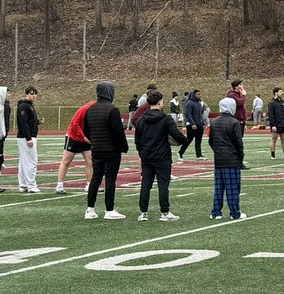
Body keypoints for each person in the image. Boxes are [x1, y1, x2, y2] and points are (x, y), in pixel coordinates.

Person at [134, 89, 184, 222]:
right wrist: (184, 141)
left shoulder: (141, 120)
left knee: (146, 184)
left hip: (147, 156)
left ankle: (143, 213)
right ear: (160, 102)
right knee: (163, 184)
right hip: (162, 157)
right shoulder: (165, 119)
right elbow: (176, 134)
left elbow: (137, 140)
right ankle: (165, 212)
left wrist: (142, 152)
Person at [83, 81, 129, 220]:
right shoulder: (112, 109)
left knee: (96, 178)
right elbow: (118, 131)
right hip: (111, 149)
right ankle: (109, 209)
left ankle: (89, 210)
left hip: (96, 148)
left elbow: (86, 130)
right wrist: (123, 146)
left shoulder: (90, 109)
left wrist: (95, 141)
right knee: (110, 179)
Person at [209, 97, 245, 219]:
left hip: (219, 159)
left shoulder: (214, 122)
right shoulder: (234, 122)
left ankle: (216, 212)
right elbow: (238, 143)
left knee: (219, 187)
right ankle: (235, 212)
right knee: (233, 187)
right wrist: (240, 157)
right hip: (231, 159)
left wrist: (218, 151)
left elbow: (211, 141)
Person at [55, 100, 94, 194]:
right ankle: (59, 185)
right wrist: (83, 137)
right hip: (74, 137)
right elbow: (75, 123)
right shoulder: (85, 109)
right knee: (66, 160)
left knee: (90, 161)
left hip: (86, 138)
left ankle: (90, 185)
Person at [15, 86, 41, 193]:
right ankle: (31, 185)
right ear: (26, 94)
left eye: (35, 93)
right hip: (26, 138)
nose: (34, 95)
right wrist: (28, 138)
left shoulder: (28, 105)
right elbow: (22, 123)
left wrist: (37, 122)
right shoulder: (24, 106)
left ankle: (23, 184)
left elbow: (27, 121)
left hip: (26, 136)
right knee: (31, 161)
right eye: (31, 93)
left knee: (23, 162)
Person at [179, 89, 205, 160]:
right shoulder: (189, 103)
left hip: (199, 125)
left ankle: (199, 155)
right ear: (194, 95)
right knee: (188, 140)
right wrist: (192, 123)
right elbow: (188, 114)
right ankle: (180, 152)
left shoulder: (199, 104)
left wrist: (202, 123)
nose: (200, 95)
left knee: (198, 141)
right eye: (198, 94)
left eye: (200, 94)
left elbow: (200, 115)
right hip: (191, 125)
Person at [267, 87, 284, 159]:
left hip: (283, 123)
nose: (281, 93)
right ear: (276, 93)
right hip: (276, 124)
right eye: (280, 92)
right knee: (274, 139)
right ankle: (272, 155)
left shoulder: (283, 102)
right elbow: (271, 115)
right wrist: (273, 125)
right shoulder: (272, 103)